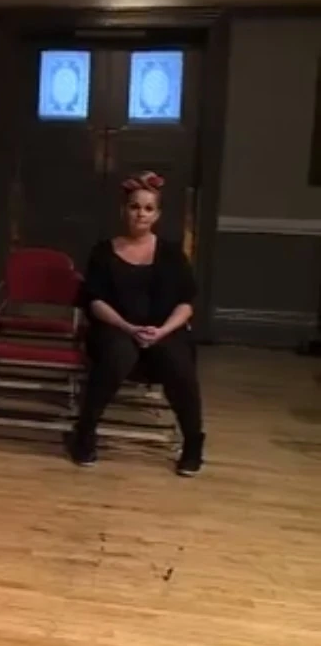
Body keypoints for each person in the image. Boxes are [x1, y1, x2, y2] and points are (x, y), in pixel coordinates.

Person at [67, 170, 205, 476]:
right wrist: (129, 328)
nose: (140, 213)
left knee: (177, 360)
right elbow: (94, 301)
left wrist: (162, 331)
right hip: (115, 327)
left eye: (148, 208)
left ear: (157, 215)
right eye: (134, 207)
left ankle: (193, 443)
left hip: (163, 329)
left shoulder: (172, 254)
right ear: (123, 210)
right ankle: (84, 434)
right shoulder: (103, 252)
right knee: (118, 354)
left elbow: (186, 303)